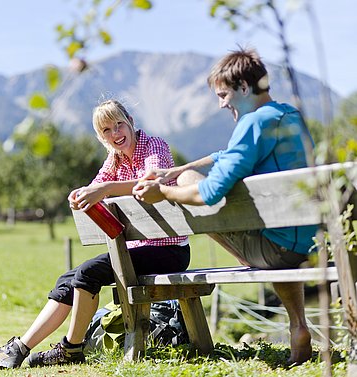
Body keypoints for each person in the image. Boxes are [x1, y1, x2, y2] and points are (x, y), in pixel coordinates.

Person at [133, 48, 316, 366]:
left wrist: (165, 190)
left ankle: (247, 260)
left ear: (244, 88)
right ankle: (298, 326)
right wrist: (173, 170)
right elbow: (228, 154)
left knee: (192, 182)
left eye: (223, 95)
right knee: (188, 175)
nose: (221, 104)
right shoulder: (288, 115)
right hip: (307, 242)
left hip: (276, 250)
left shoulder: (253, 123)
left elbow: (211, 192)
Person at [0, 99, 190, 369]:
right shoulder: (114, 160)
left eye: (118, 124)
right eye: (106, 131)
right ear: (101, 137)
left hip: (168, 251)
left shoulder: (154, 145)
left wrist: (105, 190)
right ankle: (18, 350)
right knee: (69, 279)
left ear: (131, 122)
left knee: (89, 272)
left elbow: (152, 181)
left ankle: (71, 348)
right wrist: (79, 195)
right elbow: (95, 187)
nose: (115, 133)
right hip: (139, 250)